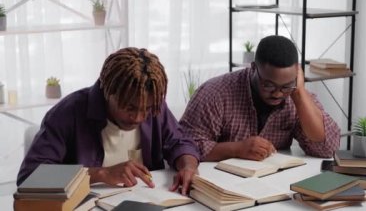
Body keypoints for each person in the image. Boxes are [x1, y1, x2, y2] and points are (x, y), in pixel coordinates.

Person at [17, 47, 200, 195]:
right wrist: (100, 174)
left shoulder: (152, 105)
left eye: (146, 110)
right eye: (129, 108)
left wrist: (188, 167)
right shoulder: (68, 112)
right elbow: (30, 175)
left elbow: (180, 142)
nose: (138, 118)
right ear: (107, 92)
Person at [180, 35, 340, 162]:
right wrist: (237, 149)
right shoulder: (215, 94)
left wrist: (298, 94)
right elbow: (184, 145)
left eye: (285, 86)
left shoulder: (297, 95)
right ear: (253, 68)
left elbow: (328, 149)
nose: (277, 94)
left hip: (272, 186)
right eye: (269, 86)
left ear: (297, 73)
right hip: (220, 187)